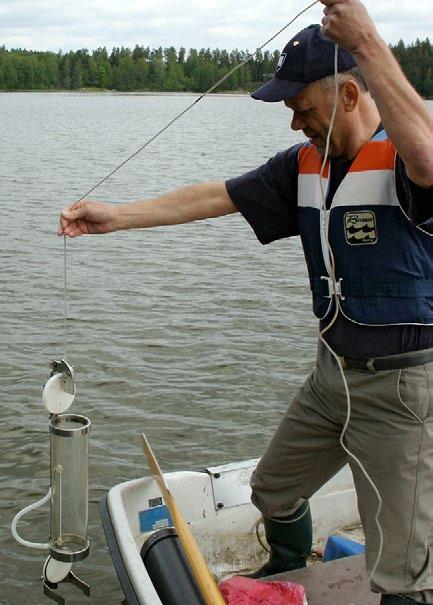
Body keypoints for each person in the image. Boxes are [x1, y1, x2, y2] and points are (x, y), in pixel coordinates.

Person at [58, 1, 433, 603]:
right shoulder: (304, 166)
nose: (294, 124)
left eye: (302, 108)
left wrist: (365, 40)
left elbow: (430, 158)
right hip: (331, 373)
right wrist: (114, 219)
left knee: (401, 572)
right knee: (275, 487)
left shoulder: (406, 164)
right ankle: (286, 572)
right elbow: (212, 196)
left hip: (400, 389)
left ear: (350, 97)